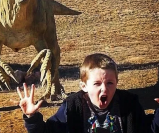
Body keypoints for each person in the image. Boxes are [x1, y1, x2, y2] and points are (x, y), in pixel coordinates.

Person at [17, 53, 159, 133]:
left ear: (117, 83)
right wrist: (32, 117)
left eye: (110, 83)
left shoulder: (129, 104)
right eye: (97, 83)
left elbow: (149, 130)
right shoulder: (73, 106)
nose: (104, 89)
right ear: (84, 86)